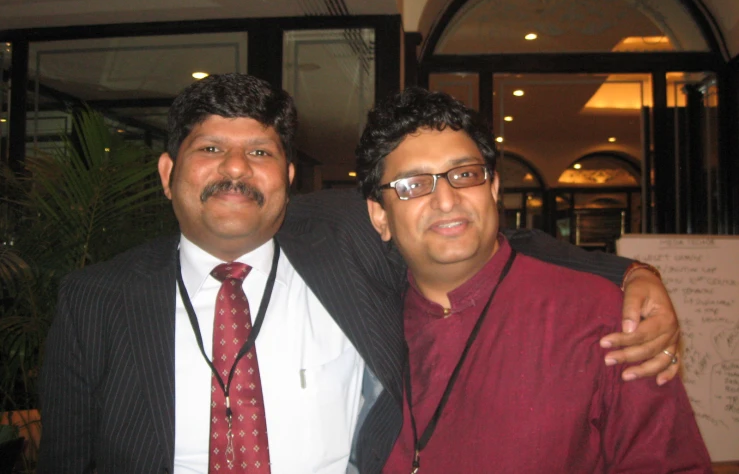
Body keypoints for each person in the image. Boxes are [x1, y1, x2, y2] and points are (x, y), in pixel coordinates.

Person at [39, 74, 679, 474]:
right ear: (167, 173)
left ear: (287, 178)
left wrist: (631, 272)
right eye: (210, 149)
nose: (236, 168)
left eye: (260, 152)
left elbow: (469, 232)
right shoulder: (95, 299)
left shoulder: (346, 236)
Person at [355, 87, 710, 473]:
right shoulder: (364, 323)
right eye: (414, 185)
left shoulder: (604, 317)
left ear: (492, 188)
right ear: (380, 216)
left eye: (465, 174)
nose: (446, 200)